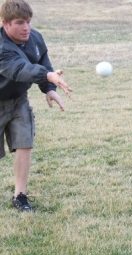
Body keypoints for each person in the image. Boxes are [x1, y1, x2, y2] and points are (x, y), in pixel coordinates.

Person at [0, 0, 72, 212]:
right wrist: (48, 75)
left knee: (25, 142)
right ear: (5, 23)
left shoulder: (35, 38)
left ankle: (20, 196)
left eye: (29, 22)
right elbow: (20, 69)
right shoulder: (2, 48)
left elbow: (43, 63)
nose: (26, 28)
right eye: (20, 22)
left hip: (18, 99)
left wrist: (49, 88)